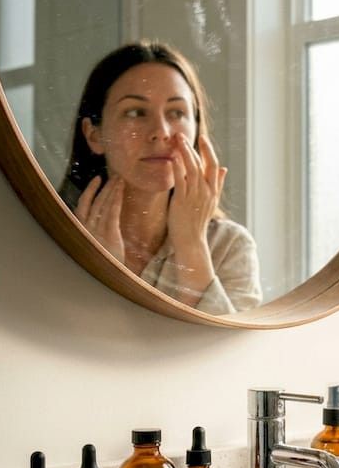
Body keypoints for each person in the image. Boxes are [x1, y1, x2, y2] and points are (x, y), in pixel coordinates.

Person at [60, 41, 261, 315]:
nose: (161, 131)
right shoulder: (54, 237)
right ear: (94, 134)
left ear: (195, 130)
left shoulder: (228, 247)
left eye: (177, 113)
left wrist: (191, 245)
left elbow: (230, 356)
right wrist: (100, 272)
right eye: (135, 112)